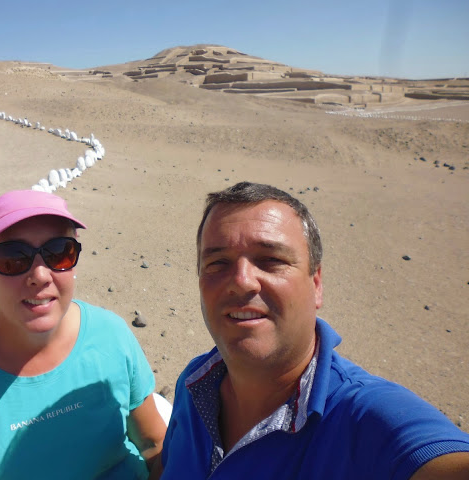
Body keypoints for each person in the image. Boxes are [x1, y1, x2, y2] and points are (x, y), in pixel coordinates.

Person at [152, 182, 469, 479]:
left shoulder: (367, 420)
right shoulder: (195, 383)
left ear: (316, 284)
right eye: (218, 263)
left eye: (271, 259)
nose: (241, 281)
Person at [0, 190, 167, 479]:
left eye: (59, 252)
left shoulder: (112, 336)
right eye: (13, 258)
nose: (40, 275)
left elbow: (154, 444)